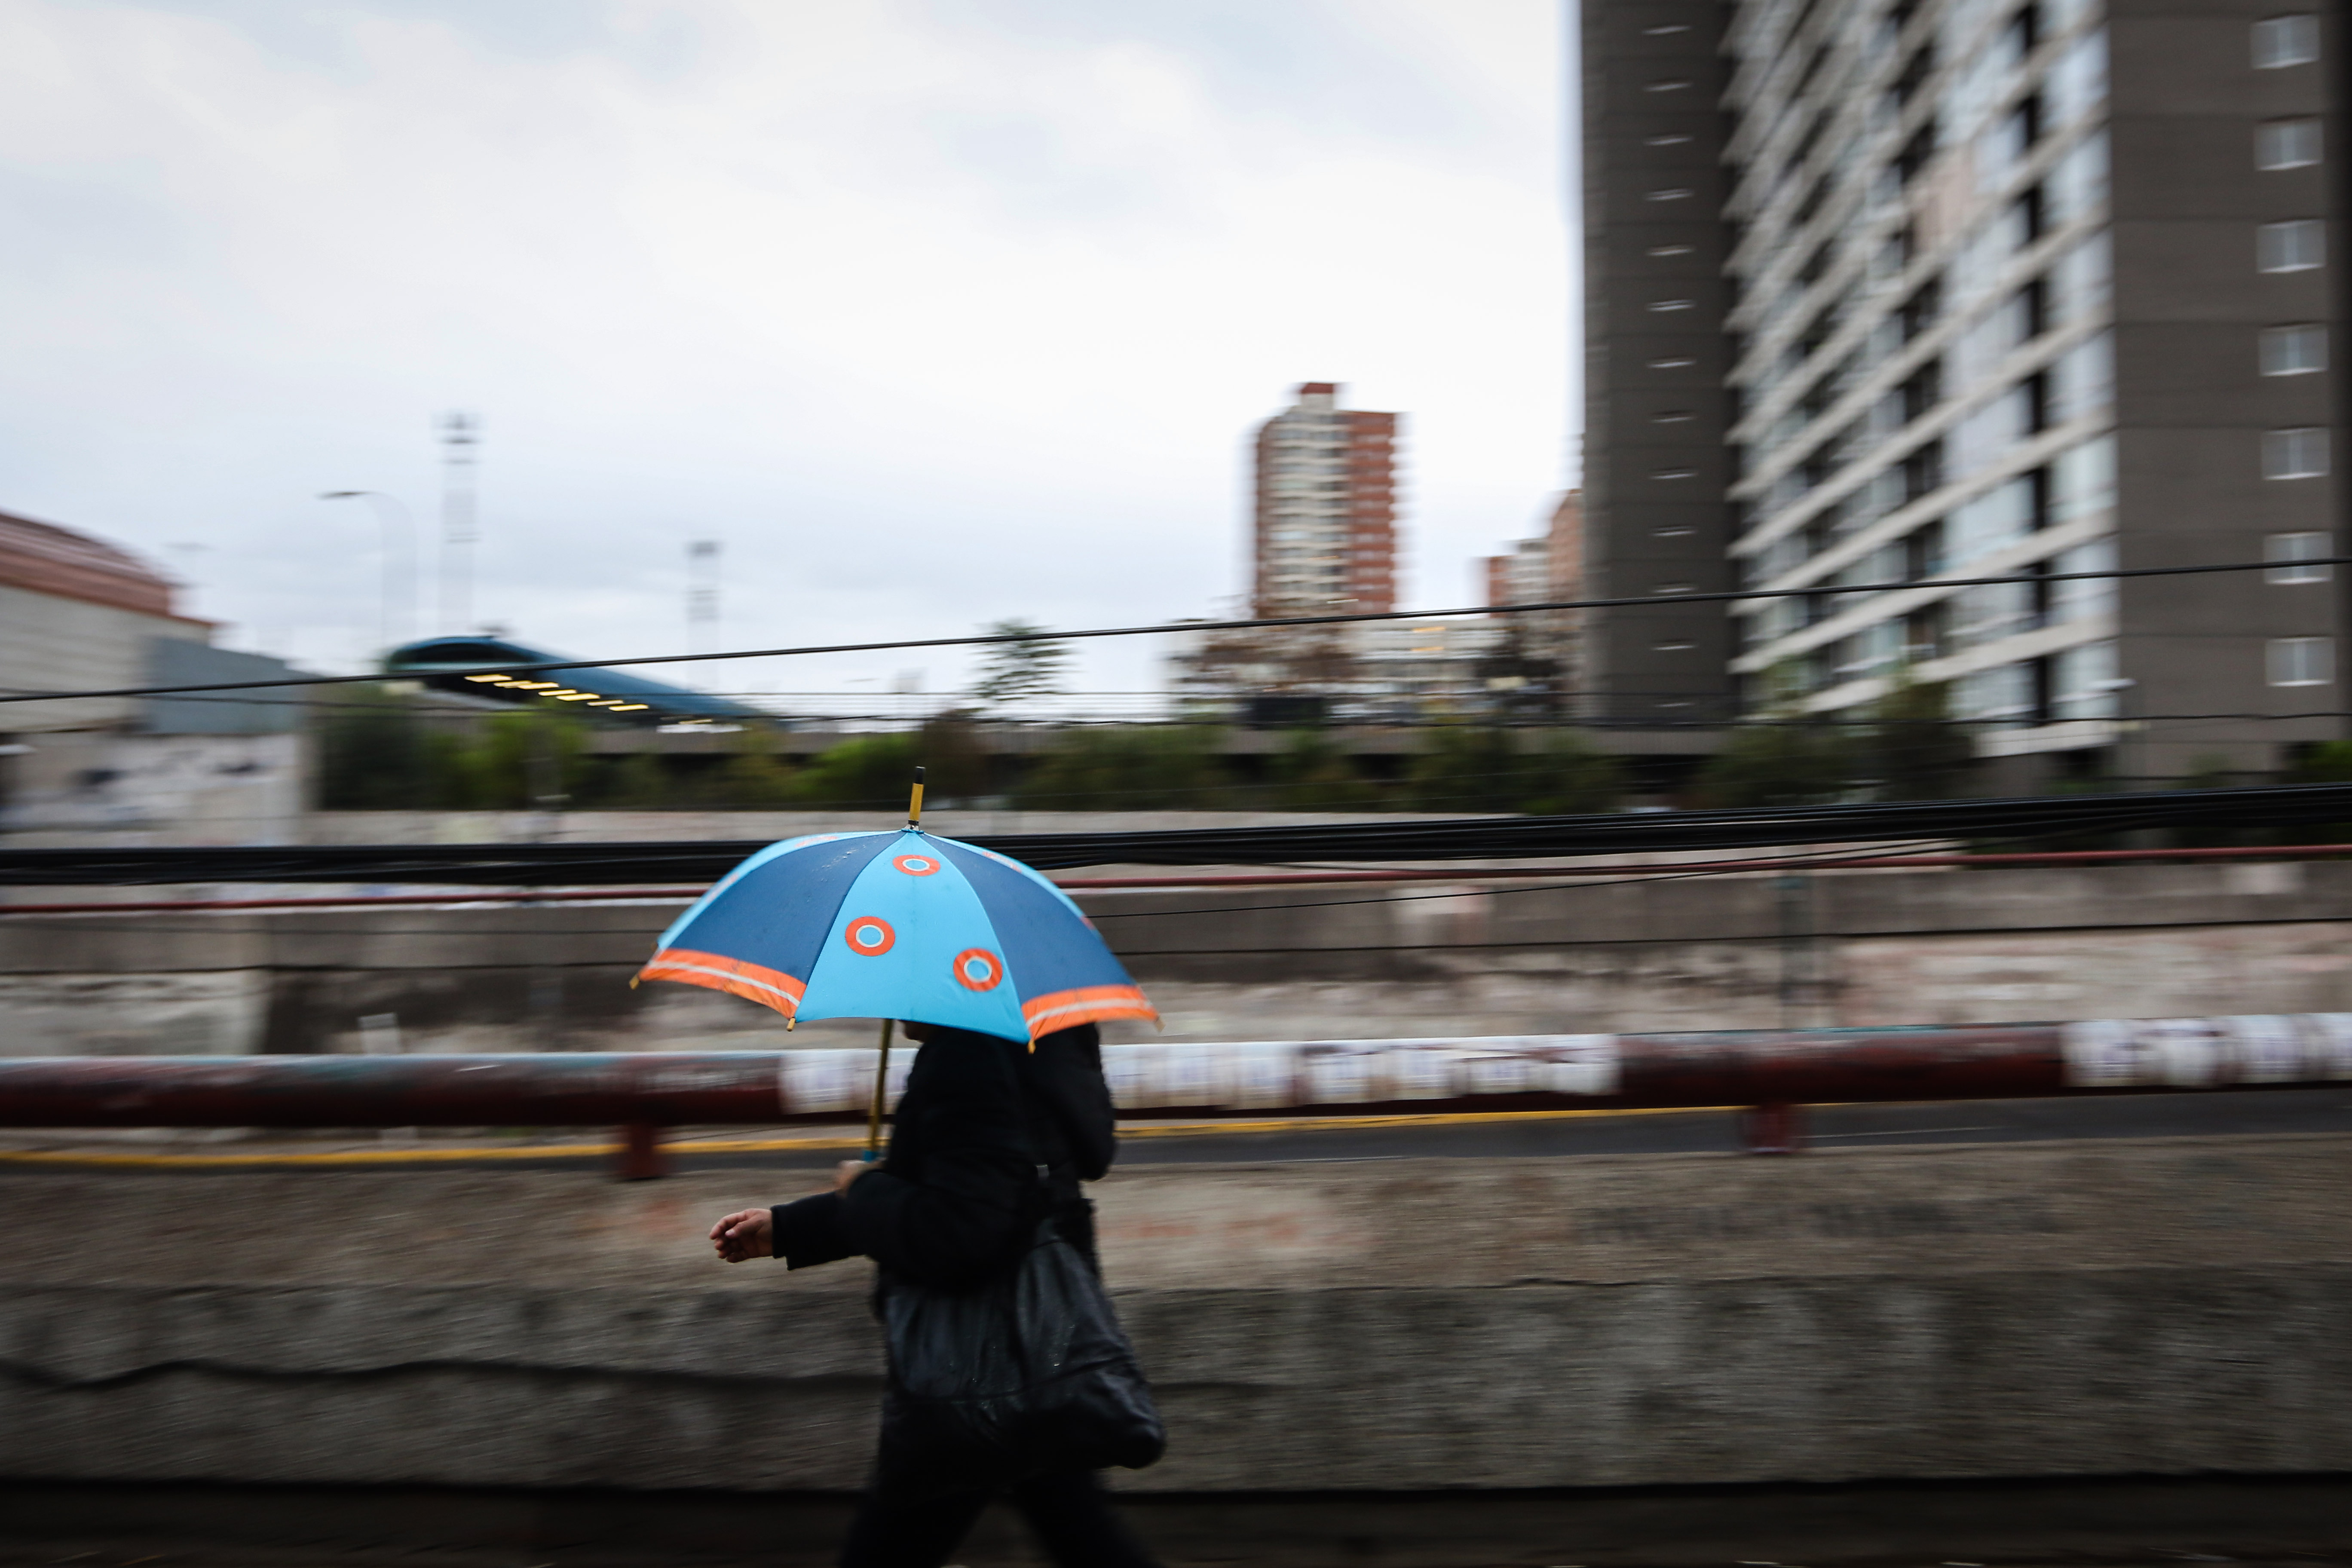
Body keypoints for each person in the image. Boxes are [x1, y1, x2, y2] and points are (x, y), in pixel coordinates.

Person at [709, 1019, 1162, 1568]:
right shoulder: (1042, 1046)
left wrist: (863, 1187)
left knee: (899, 1540)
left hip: (969, 1358)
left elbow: (960, 1228)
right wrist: (791, 1228)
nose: (896, 1004)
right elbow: (977, 1192)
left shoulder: (968, 1060)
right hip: (1043, 1344)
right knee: (1075, 1522)